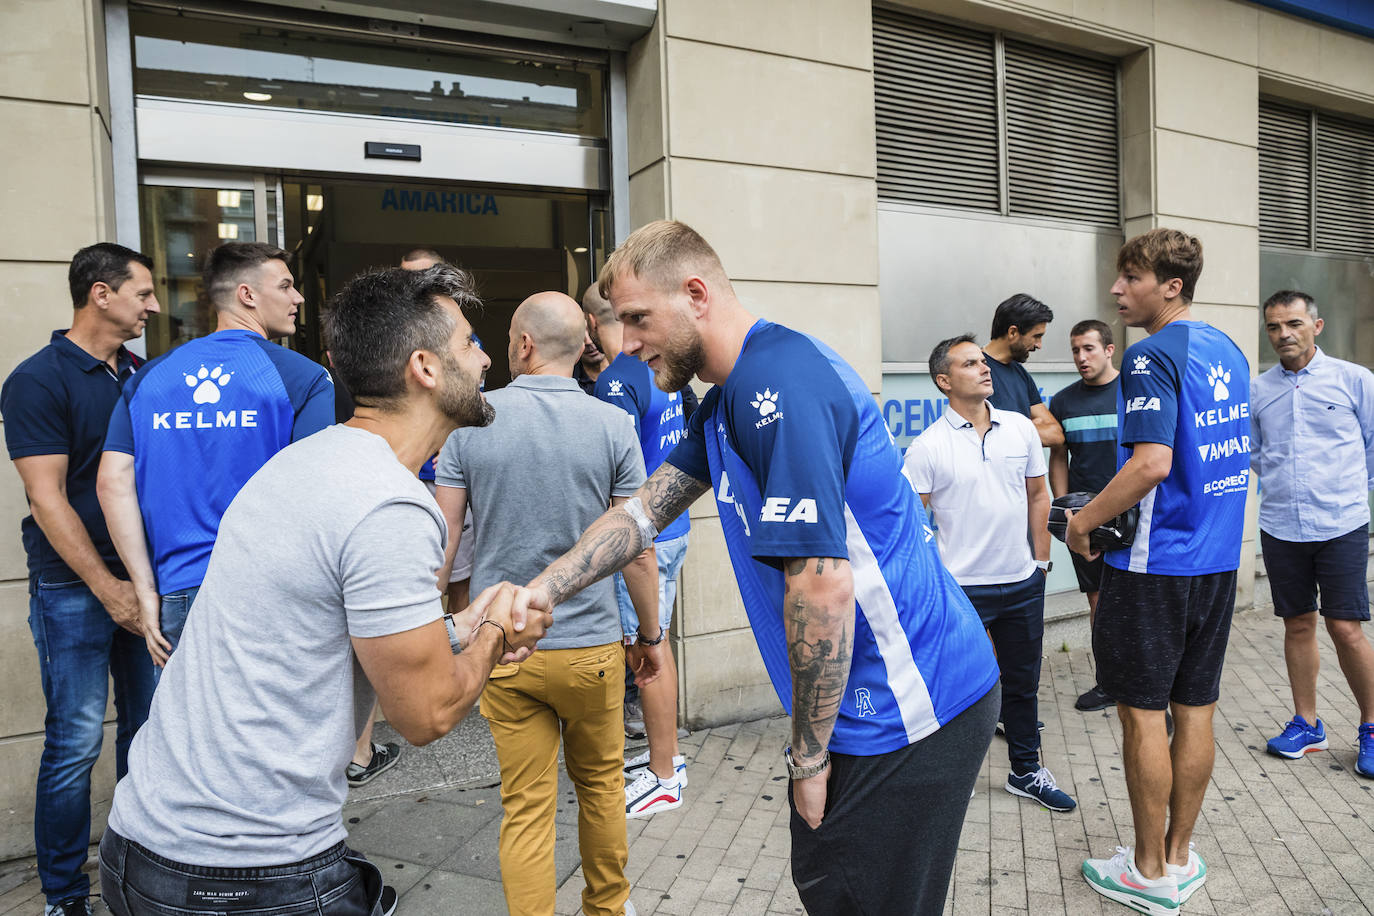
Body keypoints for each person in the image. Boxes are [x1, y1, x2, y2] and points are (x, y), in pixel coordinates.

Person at [523, 220, 1001, 915]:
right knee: (834, 887)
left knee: (856, 896)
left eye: (635, 320)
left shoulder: (777, 382)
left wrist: (807, 759)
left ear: (694, 294)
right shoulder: (726, 401)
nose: (625, 345)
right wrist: (542, 590)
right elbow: (641, 514)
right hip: (870, 708)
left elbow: (822, 587)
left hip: (911, 704)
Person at [97, 264, 551, 915]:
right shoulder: (388, 503)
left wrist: (455, 626)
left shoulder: (305, 463)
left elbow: (315, 631)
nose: (485, 359)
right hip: (246, 879)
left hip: (141, 849)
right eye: (470, 344)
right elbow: (426, 714)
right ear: (424, 367)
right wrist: (498, 632)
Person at [434, 291, 664, 916]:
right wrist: (650, 634)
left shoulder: (471, 422)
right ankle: (607, 911)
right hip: (590, 647)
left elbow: (443, 543)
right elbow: (636, 551)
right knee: (600, 790)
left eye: (507, 338)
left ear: (526, 345)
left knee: (526, 805)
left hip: (502, 648)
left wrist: (435, 629)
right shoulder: (613, 426)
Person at [1067, 229, 1248, 913]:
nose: (1117, 290)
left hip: (1155, 565)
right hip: (1217, 560)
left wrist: (1082, 524)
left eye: (1131, 278)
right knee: (1194, 708)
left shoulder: (1148, 357)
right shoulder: (1226, 347)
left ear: (1170, 286)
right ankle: (1179, 855)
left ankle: (1146, 873)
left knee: (1143, 716)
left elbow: (1152, 464)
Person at [1, 243, 161, 916]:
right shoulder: (37, 379)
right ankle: (64, 896)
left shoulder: (141, 374)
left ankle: (138, 872)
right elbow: (47, 498)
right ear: (101, 294)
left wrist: (143, 587)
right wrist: (109, 588)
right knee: (73, 740)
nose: (154, 305)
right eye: (143, 294)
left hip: (141, 583)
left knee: (147, 731)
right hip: (76, 589)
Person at [97, 242, 334, 684]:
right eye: (286, 285)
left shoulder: (148, 378)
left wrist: (146, 592)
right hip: (267, 593)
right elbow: (315, 493)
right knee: (271, 740)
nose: (298, 298)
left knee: (192, 740)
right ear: (247, 295)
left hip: (178, 591)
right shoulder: (303, 377)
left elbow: (112, 482)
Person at [905, 335, 1075, 813]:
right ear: (944, 381)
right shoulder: (926, 448)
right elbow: (913, 526)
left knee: (1023, 683)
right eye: (970, 363)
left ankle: (1026, 771)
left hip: (1022, 582)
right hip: (961, 592)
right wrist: (933, 584)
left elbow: (1039, 496)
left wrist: (1040, 563)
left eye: (984, 360)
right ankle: (957, 775)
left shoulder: (1020, 428)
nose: (985, 369)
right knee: (959, 687)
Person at [1250, 290, 1374, 777]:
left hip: (1341, 522)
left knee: (1346, 628)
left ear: (1316, 326)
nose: (1284, 334)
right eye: (1275, 327)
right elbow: (1255, 452)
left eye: (1294, 324)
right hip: (1281, 523)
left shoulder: (1355, 380)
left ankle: (1370, 726)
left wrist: (1348, 493)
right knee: (1297, 624)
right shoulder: (1259, 390)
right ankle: (1307, 724)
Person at [583, 282, 692, 817]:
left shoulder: (616, 381)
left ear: (589, 322)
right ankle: (663, 759)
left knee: (648, 650)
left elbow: (615, 476)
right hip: (672, 529)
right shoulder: (658, 366)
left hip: (643, 540)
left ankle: (664, 775)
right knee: (657, 644)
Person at [1047, 319, 1121, 713]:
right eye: (1075, 350)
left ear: (1109, 350)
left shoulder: (1133, 393)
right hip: (1086, 521)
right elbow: (1059, 458)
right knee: (1098, 602)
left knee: (1142, 599)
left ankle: (1145, 683)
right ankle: (1108, 682)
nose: (1081, 358)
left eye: (1089, 349)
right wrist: (1065, 510)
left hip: (1135, 518)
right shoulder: (1063, 402)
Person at [983, 293, 1064, 447]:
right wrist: (1031, 425)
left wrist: (1012, 428)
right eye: (1036, 336)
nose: (1039, 345)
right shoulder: (976, 369)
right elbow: (984, 433)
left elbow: (1055, 435)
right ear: (1013, 332)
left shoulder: (1020, 374)